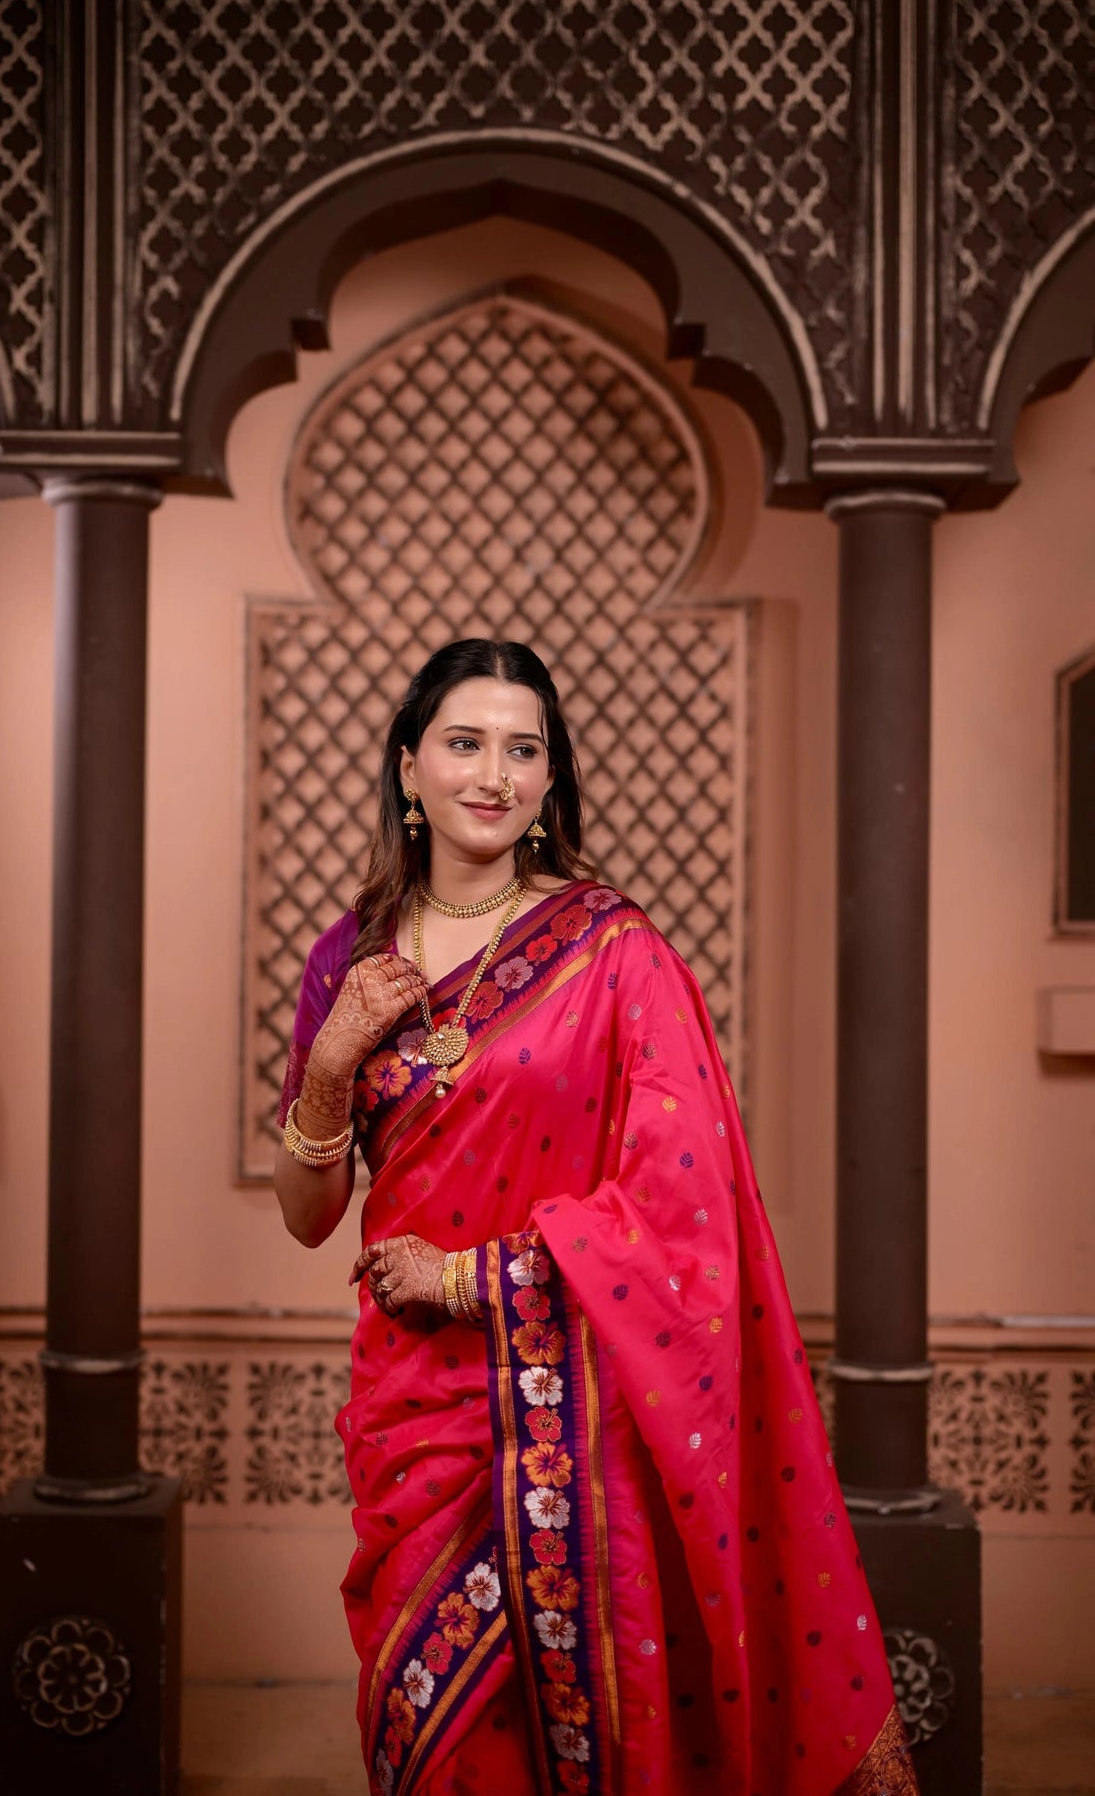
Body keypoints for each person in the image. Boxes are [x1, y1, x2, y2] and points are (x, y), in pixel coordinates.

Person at [273, 639, 916, 1796]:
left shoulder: (617, 953)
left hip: (585, 1399)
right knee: (437, 1736)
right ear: (408, 769)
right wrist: (330, 1063)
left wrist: (474, 1279)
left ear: (549, 781)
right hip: (419, 1412)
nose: (494, 773)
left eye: (525, 750)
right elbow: (309, 1217)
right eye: (464, 743)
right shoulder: (349, 958)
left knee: (604, 1719)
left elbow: (685, 1204)